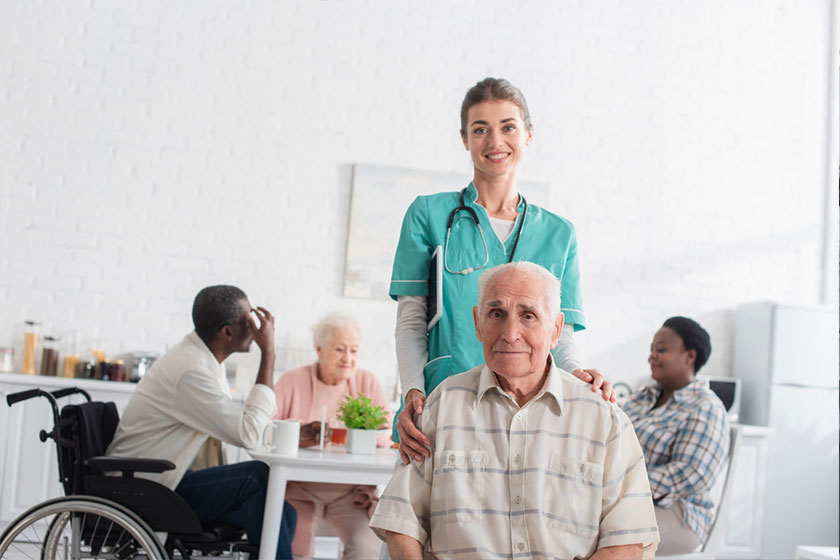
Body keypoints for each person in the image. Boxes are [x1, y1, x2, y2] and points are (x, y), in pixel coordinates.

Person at [390, 77, 613, 464]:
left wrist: (578, 374)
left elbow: (560, 337)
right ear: (465, 139)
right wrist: (412, 391)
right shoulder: (428, 215)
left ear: (528, 134)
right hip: (444, 406)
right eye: (481, 130)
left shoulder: (559, 234)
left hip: (531, 413)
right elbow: (411, 323)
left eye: (508, 127)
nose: (496, 142)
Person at [370, 262, 659, 559]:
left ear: (556, 330)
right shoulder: (443, 404)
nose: (510, 333)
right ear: (478, 323)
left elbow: (628, 539)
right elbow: (400, 521)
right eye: (497, 314)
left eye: (528, 316)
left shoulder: (603, 417)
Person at [106, 285, 296, 560]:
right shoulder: (192, 370)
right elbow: (248, 434)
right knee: (257, 477)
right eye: (248, 320)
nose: (256, 328)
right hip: (150, 485)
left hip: (167, 476)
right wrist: (269, 353)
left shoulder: (202, 361)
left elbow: (240, 426)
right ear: (227, 331)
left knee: (283, 511)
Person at [273, 312, 393, 560]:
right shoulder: (291, 381)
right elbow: (268, 428)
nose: (348, 358)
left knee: (367, 548)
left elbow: (389, 432)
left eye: (354, 350)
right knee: (295, 548)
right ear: (319, 350)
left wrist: (363, 435)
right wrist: (300, 433)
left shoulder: (367, 382)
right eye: (340, 349)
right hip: (300, 491)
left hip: (353, 495)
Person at [622, 317, 730, 554]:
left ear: (689, 356)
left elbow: (694, 472)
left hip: (680, 514)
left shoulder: (706, 407)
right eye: (651, 349)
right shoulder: (644, 396)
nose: (652, 356)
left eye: (661, 349)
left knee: (610, 536)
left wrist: (623, 487)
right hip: (626, 503)